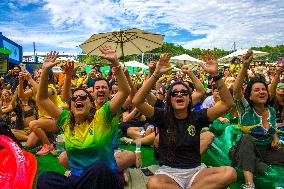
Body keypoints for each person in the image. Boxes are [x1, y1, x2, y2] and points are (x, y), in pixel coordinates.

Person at [132, 53, 237, 189]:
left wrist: (216, 75)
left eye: (184, 92)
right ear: (169, 100)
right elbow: (137, 101)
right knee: (153, 183)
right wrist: (155, 74)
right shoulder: (162, 115)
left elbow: (228, 104)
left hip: (196, 171)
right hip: (169, 173)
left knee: (230, 173)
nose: (179, 94)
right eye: (174, 93)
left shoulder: (198, 116)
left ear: (190, 99)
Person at [36, 46, 130, 189]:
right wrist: (45, 71)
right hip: (78, 180)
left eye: (83, 96)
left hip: (105, 180)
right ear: (71, 106)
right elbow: (42, 98)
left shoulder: (102, 115)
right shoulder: (66, 120)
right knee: (45, 178)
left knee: (98, 168)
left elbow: (124, 91)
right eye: (75, 98)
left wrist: (116, 63)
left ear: (92, 105)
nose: (78, 98)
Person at [231, 49, 284, 189]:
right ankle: (249, 184)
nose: (261, 92)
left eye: (263, 89)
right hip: (243, 151)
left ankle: (259, 164)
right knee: (247, 139)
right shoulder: (245, 109)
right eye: (256, 90)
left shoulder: (271, 111)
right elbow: (236, 91)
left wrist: (276, 139)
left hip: (265, 151)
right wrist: (245, 66)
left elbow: (272, 130)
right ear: (249, 96)